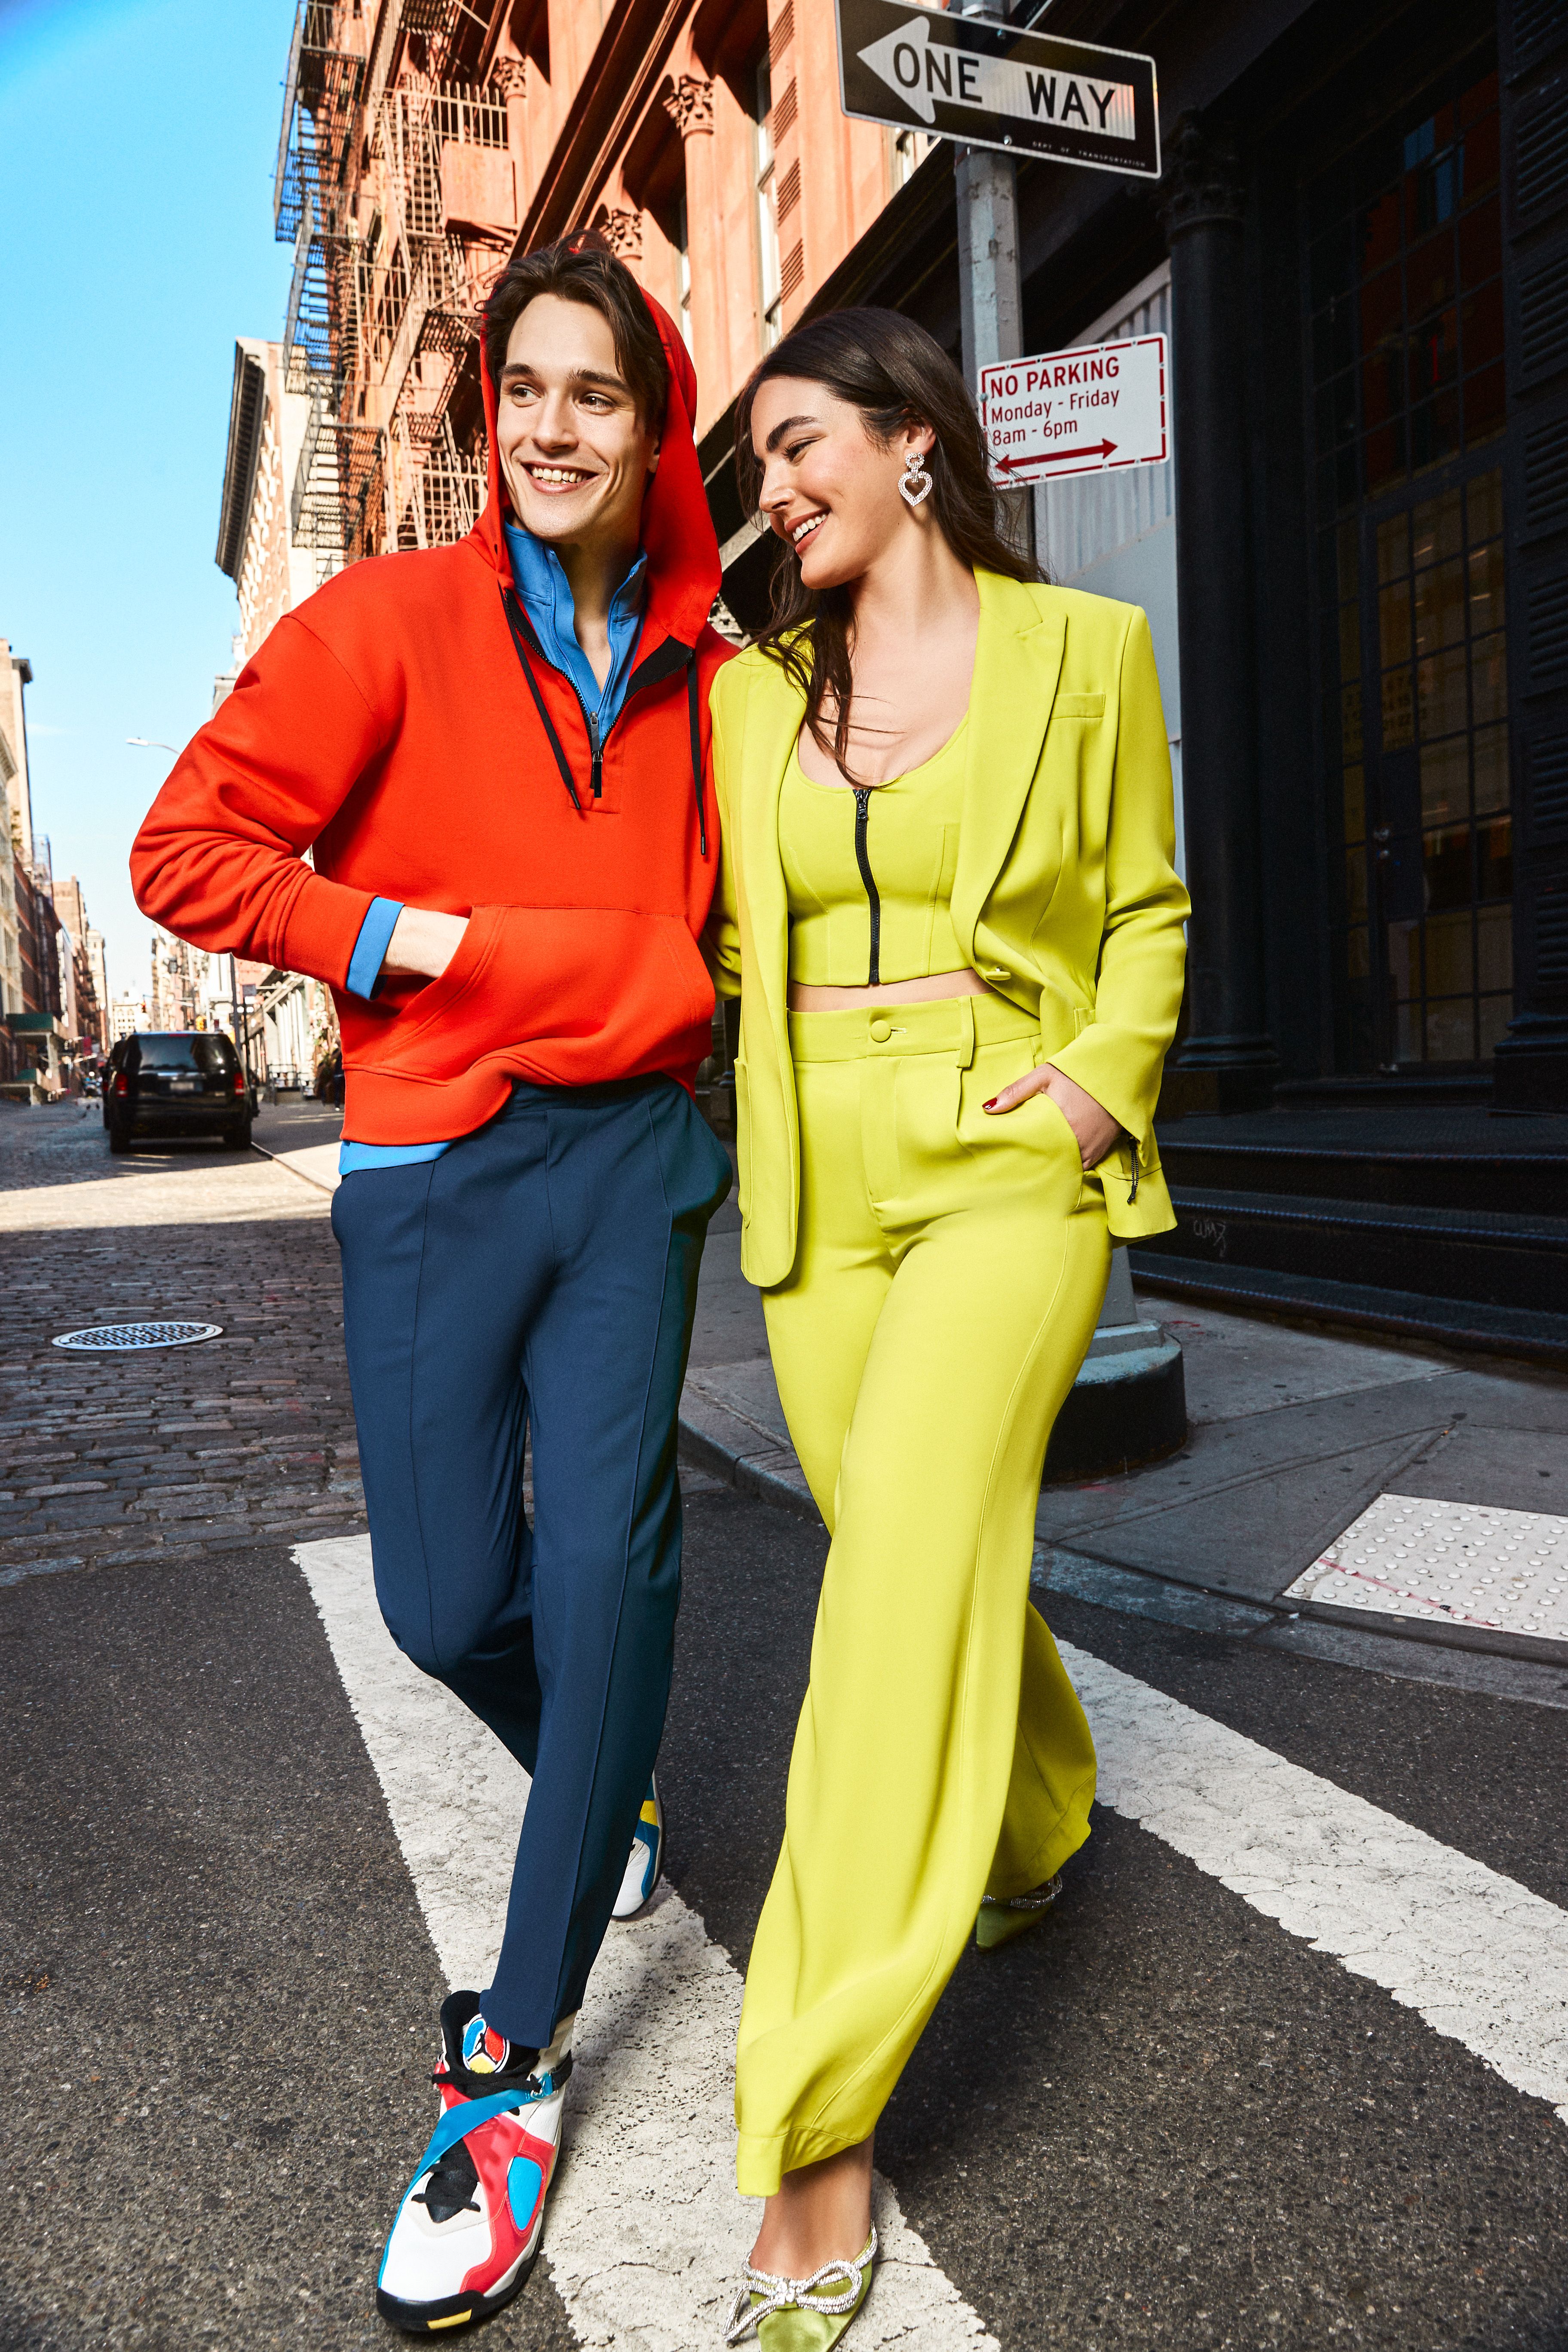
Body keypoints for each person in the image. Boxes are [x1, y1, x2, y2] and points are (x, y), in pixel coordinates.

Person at [130, 239, 734, 2335]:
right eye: (528, 393)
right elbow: (184, 854)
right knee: (442, 1599)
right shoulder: (386, 621)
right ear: (498, 417)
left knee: (615, 1566)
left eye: (599, 396)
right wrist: (417, 946)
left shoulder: (711, 671)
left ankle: (515, 2060)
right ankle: (613, 1788)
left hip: (641, 1151)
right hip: (439, 1155)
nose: (556, 429)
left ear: (658, 430)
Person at [705, 309, 1189, 2346]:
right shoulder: (750, 700)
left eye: (799, 444)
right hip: (820, 1172)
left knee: (895, 1588)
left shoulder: (1087, 656)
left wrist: (1095, 1081)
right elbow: (733, 930)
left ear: (916, 442)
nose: (770, 489)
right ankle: (1043, 1816)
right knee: (913, 1551)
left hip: (1006, 1155)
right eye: (748, 467)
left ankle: (814, 2131)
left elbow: (1148, 907)